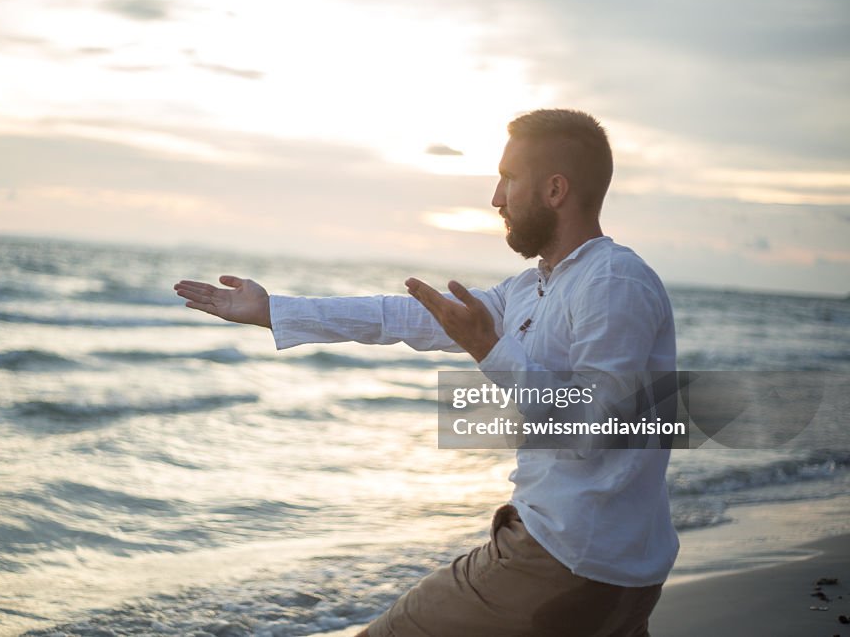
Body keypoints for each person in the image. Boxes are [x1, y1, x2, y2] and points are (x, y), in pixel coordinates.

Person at [173, 109, 678, 636]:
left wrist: (492, 351)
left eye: (509, 178)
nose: (496, 197)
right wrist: (275, 310)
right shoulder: (532, 288)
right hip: (607, 566)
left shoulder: (614, 283)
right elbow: (403, 316)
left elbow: (596, 431)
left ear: (555, 190)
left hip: (566, 558)